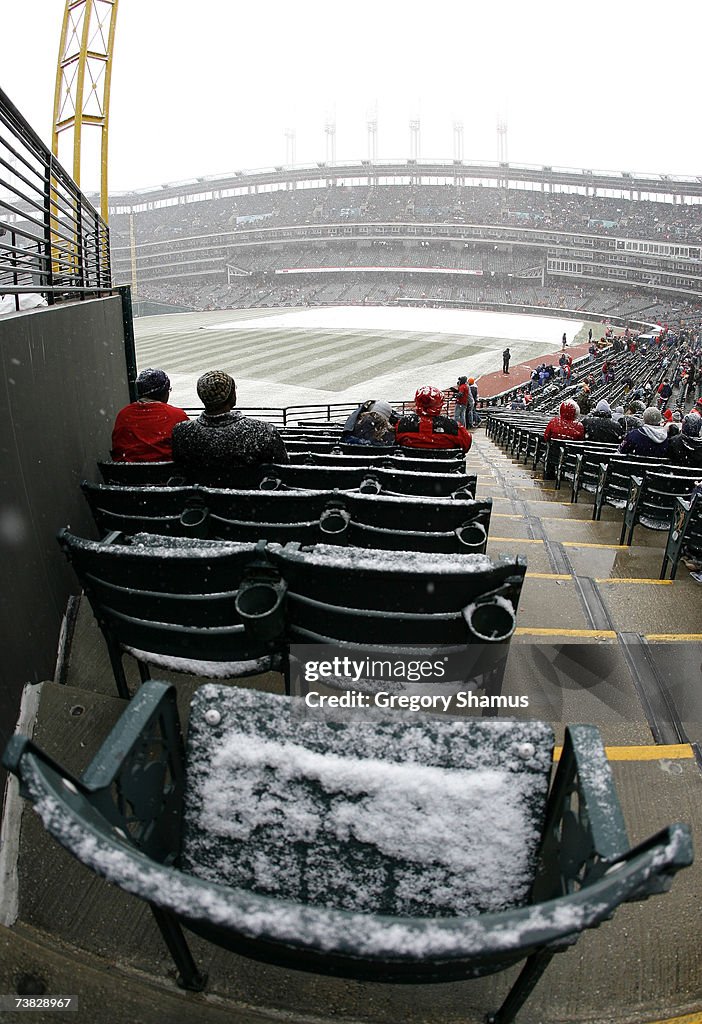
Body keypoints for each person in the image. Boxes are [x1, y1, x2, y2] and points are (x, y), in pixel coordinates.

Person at [172, 370, 288, 483]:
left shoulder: (181, 432)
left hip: (200, 501)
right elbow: (283, 468)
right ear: (231, 396)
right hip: (249, 500)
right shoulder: (263, 431)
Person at [111, 367, 188, 462]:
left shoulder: (124, 414)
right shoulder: (176, 416)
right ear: (164, 393)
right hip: (166, 474)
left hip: (126, 475)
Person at [394, 385, 472, 452]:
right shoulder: (453, 427)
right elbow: (466, 445)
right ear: (439, 404)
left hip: (409, 468)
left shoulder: (402, 425)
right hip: (444, 468)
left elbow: (394, 441)